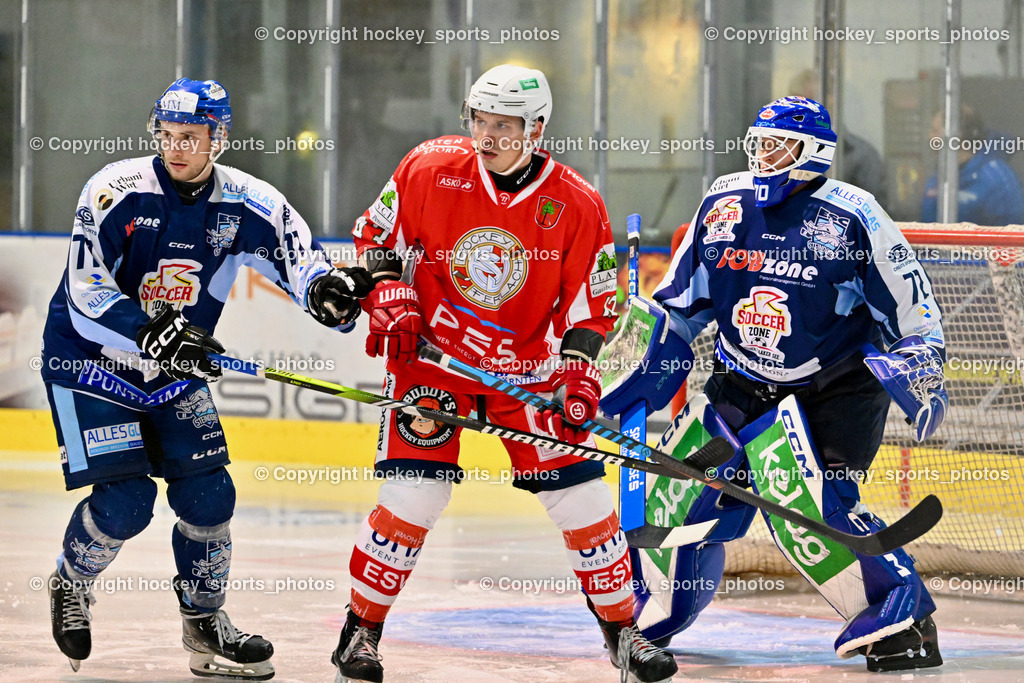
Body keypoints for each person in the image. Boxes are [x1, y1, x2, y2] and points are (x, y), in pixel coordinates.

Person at [335, 64, 678, 683]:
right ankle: (361, 634)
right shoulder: (429, 167)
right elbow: (376, 239)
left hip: (528, 375)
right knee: (414, 496)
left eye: (504, 126)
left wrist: (576, 371)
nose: (487, 137)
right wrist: (388, 290)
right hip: (430, 368)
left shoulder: (575, 203)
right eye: (479, 122)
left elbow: (592, 305)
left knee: (582, 500)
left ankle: (624, 634)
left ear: (537, 128)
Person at [41, 78, 373, 679]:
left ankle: (203, 623)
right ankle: (71, 582)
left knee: (210, 496)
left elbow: (301, 260)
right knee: (127, 502)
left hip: (174, 369)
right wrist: (150, 330)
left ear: (218, 138)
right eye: (166, 135)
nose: (175, 148)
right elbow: (87, 294)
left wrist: (327, 292)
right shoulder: (115, 191)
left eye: (190, 137)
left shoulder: (248, 203)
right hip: (90, 362)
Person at [622, 96, 947, 672]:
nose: (764, 156)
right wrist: (637, 371)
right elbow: (678, 305)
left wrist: (921, 369)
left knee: (804, 508)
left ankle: (898, 607)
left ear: (814, 152)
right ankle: (660, 609)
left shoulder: (855, 215)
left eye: (780, 145)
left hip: (833, 392)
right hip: (738, 380)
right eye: (760, 143)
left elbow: (912, 310)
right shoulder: (723, 203)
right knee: (675, 497)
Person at [920, 104, 1024, 225]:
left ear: (957, 136)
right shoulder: (937, 175)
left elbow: (1012, 235)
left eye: (935, 131)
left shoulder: (996, 178)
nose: (930, 137)